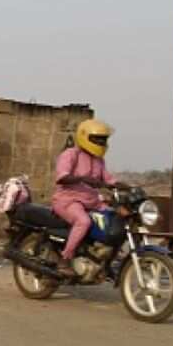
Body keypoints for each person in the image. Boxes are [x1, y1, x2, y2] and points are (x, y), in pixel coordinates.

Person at [51, 119, 122, 277]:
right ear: (84, 137)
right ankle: (65, 259)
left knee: (115, 219)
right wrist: (82, 179)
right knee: (83, 221)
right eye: (98, 139)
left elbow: (108, 179)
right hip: (68, 200)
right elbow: (62, 177)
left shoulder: (99, 160)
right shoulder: (71, 154)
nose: (101, 142)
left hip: (92, 201)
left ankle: (106, 259)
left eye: (104, 139)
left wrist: (125, 186)